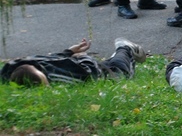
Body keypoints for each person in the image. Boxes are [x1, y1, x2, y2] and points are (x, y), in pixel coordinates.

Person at [1, 37, 145, 86]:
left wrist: (79, 55)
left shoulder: (61, 74)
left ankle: (125, 48)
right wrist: (71, 53)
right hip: (77, 63)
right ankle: (118, 54)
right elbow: (48, 59)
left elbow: (90, 74)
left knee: (120, 72)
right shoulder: (10, 68)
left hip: (85, 65)